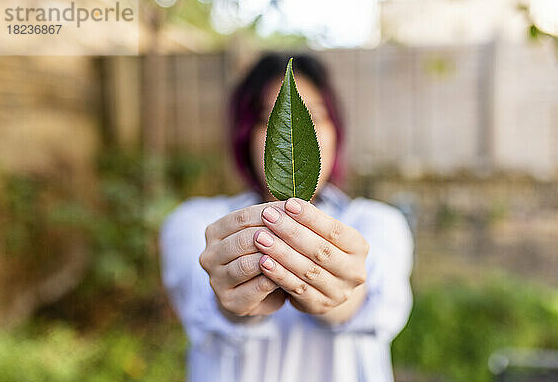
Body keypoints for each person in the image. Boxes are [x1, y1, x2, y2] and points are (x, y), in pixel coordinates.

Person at [160, 53, 414, 382]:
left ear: (336, 131)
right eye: (271, 119)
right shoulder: (197, 222)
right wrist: (234, 299)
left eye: (316, 116)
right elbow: (199, 297)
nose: (294, 131)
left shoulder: (377, 221)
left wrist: (341, 294)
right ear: (245, 134)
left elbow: (382, 300)